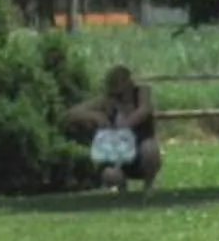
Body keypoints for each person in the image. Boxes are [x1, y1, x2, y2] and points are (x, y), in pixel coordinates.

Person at [67, 65, 162, 195]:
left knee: (150, 148)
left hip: (139, 149)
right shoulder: (107, 101)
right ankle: (122, 189)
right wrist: (96, 116)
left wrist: (125, 123)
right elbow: (72, 113)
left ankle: (148, 185)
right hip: (116, 154)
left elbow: (144, 111)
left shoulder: (141, 93)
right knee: (110, 174)